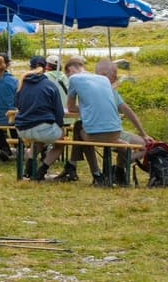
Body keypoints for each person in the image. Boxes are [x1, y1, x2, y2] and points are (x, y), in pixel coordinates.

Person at [67, 56, 152, 185]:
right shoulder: (105, 85)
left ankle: (105, 171)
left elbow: (127, 111)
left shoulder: (106, 88)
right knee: (82, 128)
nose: (116, 78)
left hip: (105, 132)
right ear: (104, 74)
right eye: (114, 74)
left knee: (80, 128)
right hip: (115, 132)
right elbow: (127, 112)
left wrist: (144, 134)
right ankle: (113, 170)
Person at [13, 55, 67, 180]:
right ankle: (42, 170)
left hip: (22, 129)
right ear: (45, 68)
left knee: (39, 139)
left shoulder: (21, 84)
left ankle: (29, 169)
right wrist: (60, 126)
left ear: (30, 67)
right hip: (43, 128)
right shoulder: (50, 85)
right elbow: (59, 113)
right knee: (61, 142)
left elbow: (16, 105)